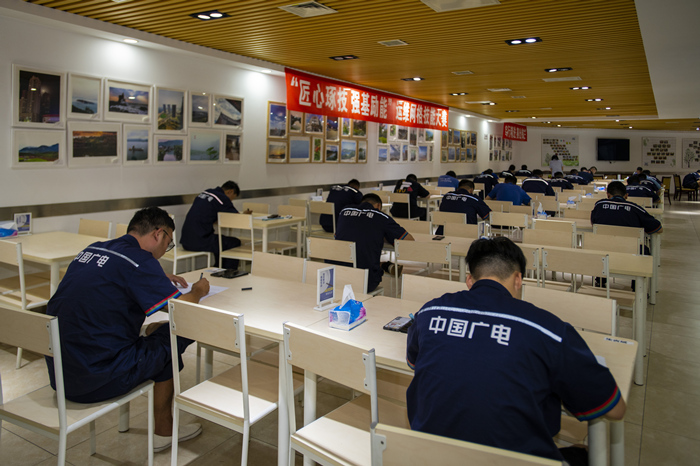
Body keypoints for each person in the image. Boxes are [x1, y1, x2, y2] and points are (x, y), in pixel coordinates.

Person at [406, 237, 625, 464]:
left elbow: (414, 362)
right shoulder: (548, 329)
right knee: (582, 453)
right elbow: (614, 409)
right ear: (518, 279)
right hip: (511, 460)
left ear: (469, 280)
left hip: (430, 457)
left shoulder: (429, 312)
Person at [45, 207, 211, 452]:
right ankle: (164, 432)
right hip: (97, 378)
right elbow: (180, 309)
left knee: (160, 336)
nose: (165, 250)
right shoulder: (140, 262)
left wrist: (157, 276)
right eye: (168, 244)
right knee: (178, 332)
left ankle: (164, 427)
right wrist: (198, 290)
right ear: (159, 234)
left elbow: (109, 279)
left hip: (62, 374)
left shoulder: (93, 249)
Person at [335, 193, 414, 292]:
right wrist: (383, 235)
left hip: (336, 276)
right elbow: (409, 241)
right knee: (366, 257)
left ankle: (383, 265)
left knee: (359, 252)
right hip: (365, 281)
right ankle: (383, 265)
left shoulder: (344, 211)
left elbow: (338, 235)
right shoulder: (381, 216)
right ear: (378, 206)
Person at [180, 181, 251, 269]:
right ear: (230, 191)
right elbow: (237, 219)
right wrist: (245, 215)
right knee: (234, 243)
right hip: (199, 241)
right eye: (232, 198)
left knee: (220, 242)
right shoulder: (222, 198)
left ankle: (218, 268)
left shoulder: (205, 193)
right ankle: (229, 272)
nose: (231, 201)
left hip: (185, 240)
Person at [591, 181, 662, 235]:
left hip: (602, 247)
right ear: (626, 195)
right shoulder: (635, 208)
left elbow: (593, 223)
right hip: (631, 248)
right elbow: (658, 229)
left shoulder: (599, 205)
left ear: (608, 195)